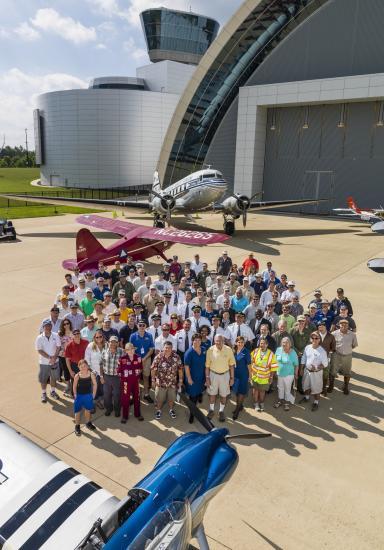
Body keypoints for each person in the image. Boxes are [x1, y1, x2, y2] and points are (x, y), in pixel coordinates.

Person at [205, 335, 235, 422]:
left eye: (220, 341)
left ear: (224, 341)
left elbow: (231, 365)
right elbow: (207, 366)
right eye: (217, 341)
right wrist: (207, 378)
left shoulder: (228, 350)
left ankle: (221, 411)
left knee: (223, 395)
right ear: (214, 341)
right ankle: (211, 410)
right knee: (212, 394)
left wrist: (232, 378)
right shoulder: (210, 350)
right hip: (213, 375)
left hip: (225, 375)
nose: (218, 342)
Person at [151, 341, 183, 420]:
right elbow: (153, 369)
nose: (167, 349)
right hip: (160, 383)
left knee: (171, 398)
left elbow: (180, 370)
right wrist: (153, 380)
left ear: (172, 349)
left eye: (169, 348)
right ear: (163, 348)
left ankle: (171, 410)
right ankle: (158, 410)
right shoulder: (158, 357)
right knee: (159, 399)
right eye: (166, 348)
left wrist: (181, 380)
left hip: (172, 383)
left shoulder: (176, 357)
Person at [299, 332, 328, 411]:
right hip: (306, 371)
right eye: (313, 338)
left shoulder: (322, 351)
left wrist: (317, 368)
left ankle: (316, 402)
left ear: (319, 340)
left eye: (316, 338)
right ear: (310, 339)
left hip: (316, 373)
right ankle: (307, 397)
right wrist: (301, 369)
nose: (314, 340)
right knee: (306, 386)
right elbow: (304, 358)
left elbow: (325, 364)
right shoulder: (307, 347)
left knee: (317, 389)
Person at [329, 319, 358, 395]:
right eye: (342, 324)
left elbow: (354, 345)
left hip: (348, 356)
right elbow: (331, 344)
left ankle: (345, 387)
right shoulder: (334, 333)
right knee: (332, 371)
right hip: (336, 355)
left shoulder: (352, 335)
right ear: (339, 325)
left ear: (348, 326)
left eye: (345, 324)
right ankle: (331, 386)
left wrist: (346, 349)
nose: (343, 326)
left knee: (347, 372)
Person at [35, 320, 61, 403]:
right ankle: (43, 393)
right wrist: (50, 358)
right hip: (44, 362)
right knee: (44, 379)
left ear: (51, 326)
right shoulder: (39, 338)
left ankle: (52, 391)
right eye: (46, 326)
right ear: (43, 327)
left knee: (53, 378)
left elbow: (58, 347)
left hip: (55, 361)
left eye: (49, 325)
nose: (48, 327)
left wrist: (54, 358)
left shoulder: (56, 335)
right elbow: (39, 350)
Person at [117, 343, 144, 423]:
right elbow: (118, 371)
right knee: (125, 399)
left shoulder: (138, 357)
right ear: (126, 351)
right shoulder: (122, 359)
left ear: (134, 349)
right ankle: (125, 416)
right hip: (126, 382)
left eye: (132, 348)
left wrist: (137, 374)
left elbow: (141, 368)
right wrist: (124, 379)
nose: (130, 351)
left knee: (137, 397)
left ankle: (137, 414)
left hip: (135, 381)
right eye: (128, 349)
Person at [129, 321, 154, 402]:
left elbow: (151, 350)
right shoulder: (133, 336)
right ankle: (136, 395)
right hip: (136, 360)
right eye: (140, 325)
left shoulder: (149, 335)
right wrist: (138, 359)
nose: (142, 327)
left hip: (146, 359)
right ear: (137, 326)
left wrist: (144, 359)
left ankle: (146, 394)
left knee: (146, 377)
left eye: (143, 325)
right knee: (136, 379)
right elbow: (130, 349)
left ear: (146, 326)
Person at [250, 336, 277, 412]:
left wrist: (271, 377)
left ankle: (261, 403)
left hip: (265, 377)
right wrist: (251, 372)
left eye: (264, 343)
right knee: (255, 390)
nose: (262, 345)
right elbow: (250, 361)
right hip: (255, 376)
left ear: (267, 344)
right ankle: (256, 404)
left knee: (262, 391)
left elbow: (273, 366)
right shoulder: (255, 351)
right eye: (261, 343)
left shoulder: (271, 354)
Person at [184, 334, 206, 423]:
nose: (197, 342)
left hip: (201, 377)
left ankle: (199, 396)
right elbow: (186, 367)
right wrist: (189, 378)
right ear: (192, 341)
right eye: (195, 340)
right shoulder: (189, 352)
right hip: (192, 377)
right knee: (193, 398)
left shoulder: (204, 350)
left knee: (199, 392)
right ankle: (192, 414)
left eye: (199, 340)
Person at [100, 335, 124, 417]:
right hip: (106, 376)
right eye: (111, 342)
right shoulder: (104, 351)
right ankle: (108, 409)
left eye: (115, 342)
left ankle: (117, 410)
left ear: (117, 343)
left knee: (117, 394)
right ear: (108, 343)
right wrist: (101, 376)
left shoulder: (122, 352)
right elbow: (101, 365)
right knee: (107, 394)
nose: (113, 343)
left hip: (117, 378)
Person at [73, 359, 97, 436]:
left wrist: (93, 394)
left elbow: (95, 384)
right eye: (81, 366)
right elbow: (74, 386)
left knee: (88, 411)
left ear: (87, 366)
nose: (83, 368)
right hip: (79, 396)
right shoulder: (77, 376)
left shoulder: (91, 374)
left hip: (88, 396)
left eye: (85, 366)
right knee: (77, 412)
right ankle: (77, 426)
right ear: (79, 367)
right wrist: (75, 394)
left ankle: (88, 423)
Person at [274, 337, 299, 411]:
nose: (285, 344)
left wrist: (296, 374)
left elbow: (296, 364)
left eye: (287, 342)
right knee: (280, 387)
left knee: (287, 389)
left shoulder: (293, 352)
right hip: (279, 373)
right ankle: (280, 400)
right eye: (283, 342)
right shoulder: (278, 350)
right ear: (281, 343)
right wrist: (275, 371)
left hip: (289, 374)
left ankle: (286, 403)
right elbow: (275, 361)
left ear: (290, 344)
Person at [85, 330, 106, 409]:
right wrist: (90, 371)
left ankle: (100, 401)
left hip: (104, 371)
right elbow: (87, 359)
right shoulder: (90, 346)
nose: (99, 338)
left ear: (103, 337)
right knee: (94, 387)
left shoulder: (106, 345)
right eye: (97, 337)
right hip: (94, 371)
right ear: (94, 338)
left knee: (102, 387)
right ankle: (92, 403)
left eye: (100, 336)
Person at [232, 336, 252, 420]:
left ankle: (237, 409)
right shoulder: (233, 351)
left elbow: (249, 365)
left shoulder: (246, 352)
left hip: (243, 375)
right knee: (237, 391)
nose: (240, 344)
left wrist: (250, 376)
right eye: (239, 342)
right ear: (236, 343)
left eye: (242, 342)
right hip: (235, 375)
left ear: (244, 343)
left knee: (241, 392)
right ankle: (240, 406)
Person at [64, 329, 89, 395]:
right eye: (75, 334)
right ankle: (75, 396)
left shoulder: (86, 342)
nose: (77, 335)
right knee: (74, 381)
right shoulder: (69, 345)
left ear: (80, 334)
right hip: (74, 365)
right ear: (72, 335)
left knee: (84, 381)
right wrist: (70, 371)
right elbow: (67, 360)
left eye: (78, 333)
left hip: (84, 365)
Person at [317, 320, 336, 396]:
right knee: (317, 373)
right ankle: (317, 387)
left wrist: (328, 353)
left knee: (325, 374)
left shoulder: (331, 336)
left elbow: (333, 347)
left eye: (322, 325)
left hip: (326, 357)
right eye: (319, 326)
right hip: (316, 357)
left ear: (325, 326)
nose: (320, 327)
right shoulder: (315, 334)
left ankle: (323, 388)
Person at [58, 318, 73, 395]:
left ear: (70, 324)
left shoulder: (73, 333)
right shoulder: (60, 334)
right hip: (63, 355)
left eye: (67, 323)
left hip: (72, 356)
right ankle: (68, 385)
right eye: (64, 324)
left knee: (72, 369)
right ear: (62, 325)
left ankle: (74, 385)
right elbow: (58, 345)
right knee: (65, 370)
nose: (66, 325)